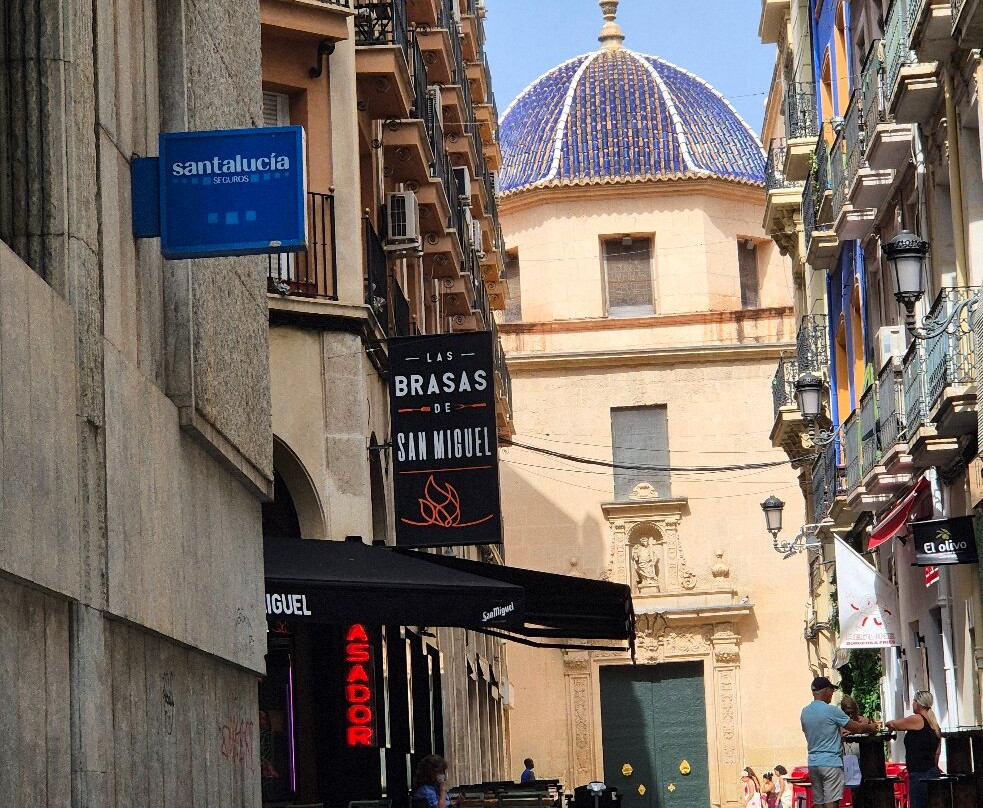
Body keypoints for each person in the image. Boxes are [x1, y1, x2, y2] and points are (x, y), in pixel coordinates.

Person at [800, 676, 876, 808]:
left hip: (813, 762)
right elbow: (856, 727)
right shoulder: (832, 711)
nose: (831, 695)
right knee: (831, 801)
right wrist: (871, 728)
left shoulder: (805, 712)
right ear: (826, 690)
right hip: (831, 762)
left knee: (819, 802)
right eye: (831, 691)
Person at [884, 690, 942, 808]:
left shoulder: (917, 719)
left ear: (918, 703)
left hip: (919, 774)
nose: (912, 704)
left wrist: (887, 725)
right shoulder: (934, 724)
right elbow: (937, 752)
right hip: (932, 771)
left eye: (914, 701)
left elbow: (894, 724)